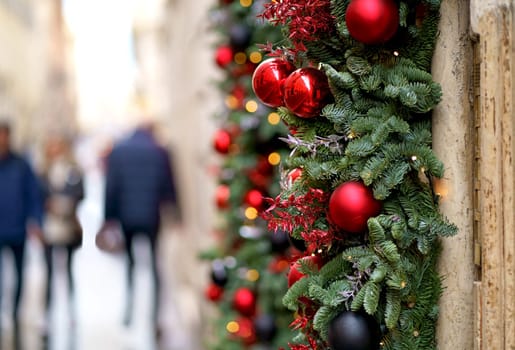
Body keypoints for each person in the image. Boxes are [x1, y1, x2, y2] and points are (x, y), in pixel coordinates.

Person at [103, 122, 180, 337]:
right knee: (155, 265)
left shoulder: (118, 151)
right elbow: (169, 184)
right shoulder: (158, 150)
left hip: (127, 218)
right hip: (150, 217)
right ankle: (154, 317)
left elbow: (111, 186)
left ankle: (129, 310)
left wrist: (108, 217)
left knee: (130, 264)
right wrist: (176, 212)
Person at [0, 120, 44, 336]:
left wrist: (35, 221)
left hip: (17, 229)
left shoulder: (21, 165)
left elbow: (32, 194)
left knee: (19, 273)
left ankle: (15, 311)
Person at [39, 134, 84, 334]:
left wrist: (64, 204)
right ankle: (46, 315)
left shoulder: (72, 171)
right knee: (48, 272)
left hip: (68, 228)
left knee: (68, 271)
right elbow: (37, 197)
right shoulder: (42, 173)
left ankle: (71, 312)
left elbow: (80, 193)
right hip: (48, 228)